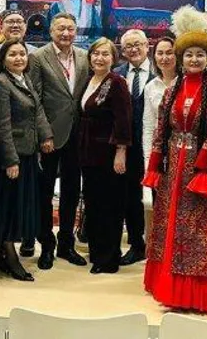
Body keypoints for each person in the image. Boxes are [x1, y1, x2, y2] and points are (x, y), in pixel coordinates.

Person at [142, 6, 207, 313]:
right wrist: (154, 166)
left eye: (200, 55)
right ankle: (169, 290)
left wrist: (203, 167)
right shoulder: (172, 90)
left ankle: (197, 294)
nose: (194, 60)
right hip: (172, 168)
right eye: (189, 55)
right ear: (181, 58)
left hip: (197, 170)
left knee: (196, 228)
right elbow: (160, 130)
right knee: (169, 225)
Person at [0, 39, 54, 281]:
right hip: (11, 158)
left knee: (17, 205)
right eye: (12, 54)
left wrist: (46, 135)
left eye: (22, 54)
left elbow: (38, 109)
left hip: (28, 154)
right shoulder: (1, 83)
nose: (19, 58)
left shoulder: (24, 78)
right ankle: (10, 256)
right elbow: (2, 125)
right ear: (3, 59)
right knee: (8, 207)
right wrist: (10, 160)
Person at [25, 12, 89, 268]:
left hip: (78, 135)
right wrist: (44, 134)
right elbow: (35, 99)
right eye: (61, 28)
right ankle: (46, 245)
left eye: (70, 29)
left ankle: (66, 244)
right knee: (44, 192)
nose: (65, 33)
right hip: (50, 136)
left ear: (76, 31)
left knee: (72, 192)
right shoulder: (38, 57)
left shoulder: (84, 57)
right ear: (51, 31)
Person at [78, 38, 132, 274]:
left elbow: (123, 119)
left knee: (109, 206)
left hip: (108, 155)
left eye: (105, 54)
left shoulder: (117, 82)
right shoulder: (89, 80)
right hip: (88, 153)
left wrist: (121, 151)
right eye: (96, 53)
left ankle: (109, 258)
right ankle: (97, 251)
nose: (99, 58)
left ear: (113, 58)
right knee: (93, 204)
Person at [114, 29, 154, 265]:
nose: (134, 49)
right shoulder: (116, 74)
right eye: (128, 46)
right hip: (125, 147)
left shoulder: (162, 72)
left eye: (138, 44)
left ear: (147, 46)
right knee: (130, 196)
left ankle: (160, 245)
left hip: (155, 147)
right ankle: (136, 243)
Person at [142, 37, 179, 172]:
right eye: (160, 53)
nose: (164, 58)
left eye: (169, 53)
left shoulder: (185, 82)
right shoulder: (150, 87)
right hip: (159, 147)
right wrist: (148, 157)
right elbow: (149, 124)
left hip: (182, 147)